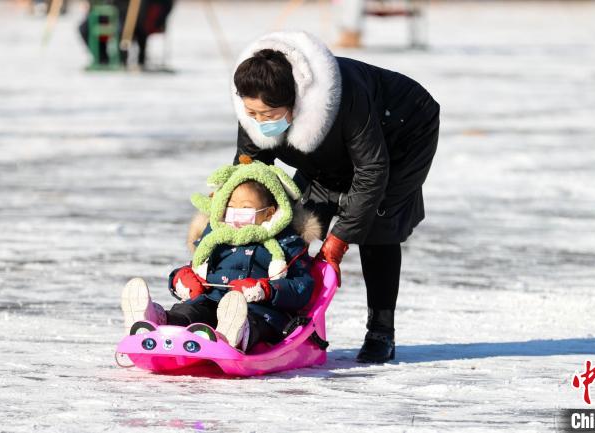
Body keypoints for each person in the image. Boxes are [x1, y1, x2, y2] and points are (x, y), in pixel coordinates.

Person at [190, 31, 439, 363]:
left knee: (376, 225)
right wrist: (218, 218)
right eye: (253, 115)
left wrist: (340, 240)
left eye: (268, 114)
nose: (260, 123)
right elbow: (249, 178)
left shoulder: (344, 96)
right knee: (293, 227)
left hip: (401, 134)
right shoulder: (256, 106)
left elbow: (372, 170)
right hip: (327, 153)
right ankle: (285, 321)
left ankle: (381, 331)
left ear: (295, 100)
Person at [121, 158, 318, 351]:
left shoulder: (285, 243)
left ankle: (236, 334)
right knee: (190, 310)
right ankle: (157, 322)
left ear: (269, 213)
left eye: (246, 207)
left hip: (258, 309)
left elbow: (303, 287)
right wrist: (181, 278)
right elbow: (197, 267)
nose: (236, 213)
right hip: (211, 300)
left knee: (254, 321)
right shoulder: (216, 237)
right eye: (231, 207)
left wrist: (267, 289)